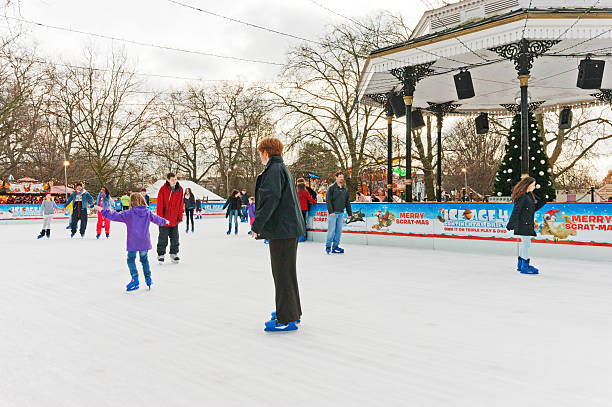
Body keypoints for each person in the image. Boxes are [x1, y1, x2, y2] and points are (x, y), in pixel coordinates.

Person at [251, 137, 305, 332]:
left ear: (266, 152)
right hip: (288, 228)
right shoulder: (282, 168)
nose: (260, 157)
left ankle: (286, 318)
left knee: (282, 273)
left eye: (260, 153)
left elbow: (270, 199)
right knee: (286, 272)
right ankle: (291, 311)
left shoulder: (273, 170)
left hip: (282, 229)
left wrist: (257, 225)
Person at [96, 193, 168, 291]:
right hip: (144, 241)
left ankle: (135, 279)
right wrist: (165, 221)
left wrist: (102, 210)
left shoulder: (128, 213)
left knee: (131, 260)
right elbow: (157, 219)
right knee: (144, 260)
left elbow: (114, 215)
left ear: (131, 202)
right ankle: (148, 278)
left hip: (133, 241)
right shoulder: (147, 212)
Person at [506, 176, 547, 275]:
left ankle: (521, 264)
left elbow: (531, 209)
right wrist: (511, 223)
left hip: (527, 223)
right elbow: (516, 210)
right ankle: (525, 265)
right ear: (527, 185)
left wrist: (541, 202)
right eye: (533, 185)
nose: (534, 187)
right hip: (523, 224)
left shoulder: (529, 195)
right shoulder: (522, 197)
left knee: (525, 243)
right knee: (526, 244)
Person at [156, 173, 184, 264]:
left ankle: (174, 253)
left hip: (174, 218)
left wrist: (179, 216)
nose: (174, 181)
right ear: (167, 180)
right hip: (164, 218)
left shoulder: (180, 189)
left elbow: (180, 204)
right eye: (172, 180)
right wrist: (160, 218)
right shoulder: (163, 189)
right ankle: (161, 254)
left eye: (175, 179)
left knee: (175, 237)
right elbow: (159, 205)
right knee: (163, 237)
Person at [325, 171, 352, 254]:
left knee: (338, 231)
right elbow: (328, 200)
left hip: (341, 213)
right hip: (333, 213)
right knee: (331, 230)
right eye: (340, 177)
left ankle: (335, 246)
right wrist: (331, 211)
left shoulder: (345, 189)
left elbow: (347, 202)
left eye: (342, 177)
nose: (341, 178)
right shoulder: (331, 188)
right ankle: (328, 246)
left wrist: (349, 213)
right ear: (336, 177)